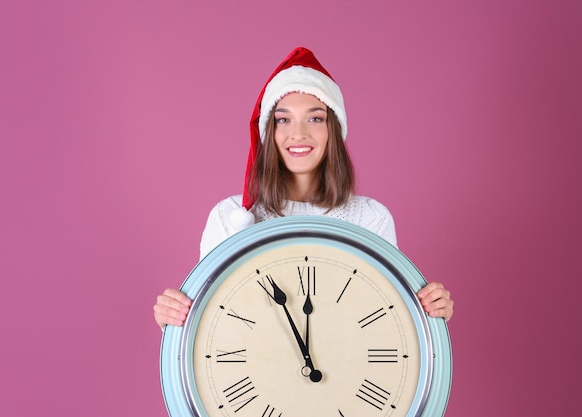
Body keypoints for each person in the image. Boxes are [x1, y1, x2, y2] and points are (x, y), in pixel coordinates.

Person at [153, 47, 454, 329]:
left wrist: (429, 309)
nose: (298, 134)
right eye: (283, 120)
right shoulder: (230, 218)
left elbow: (387, 319)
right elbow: (211, 322)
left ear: (332, 131)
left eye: (314, 118)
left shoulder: (370, 219)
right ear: (268, 133)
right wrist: (174, 312)